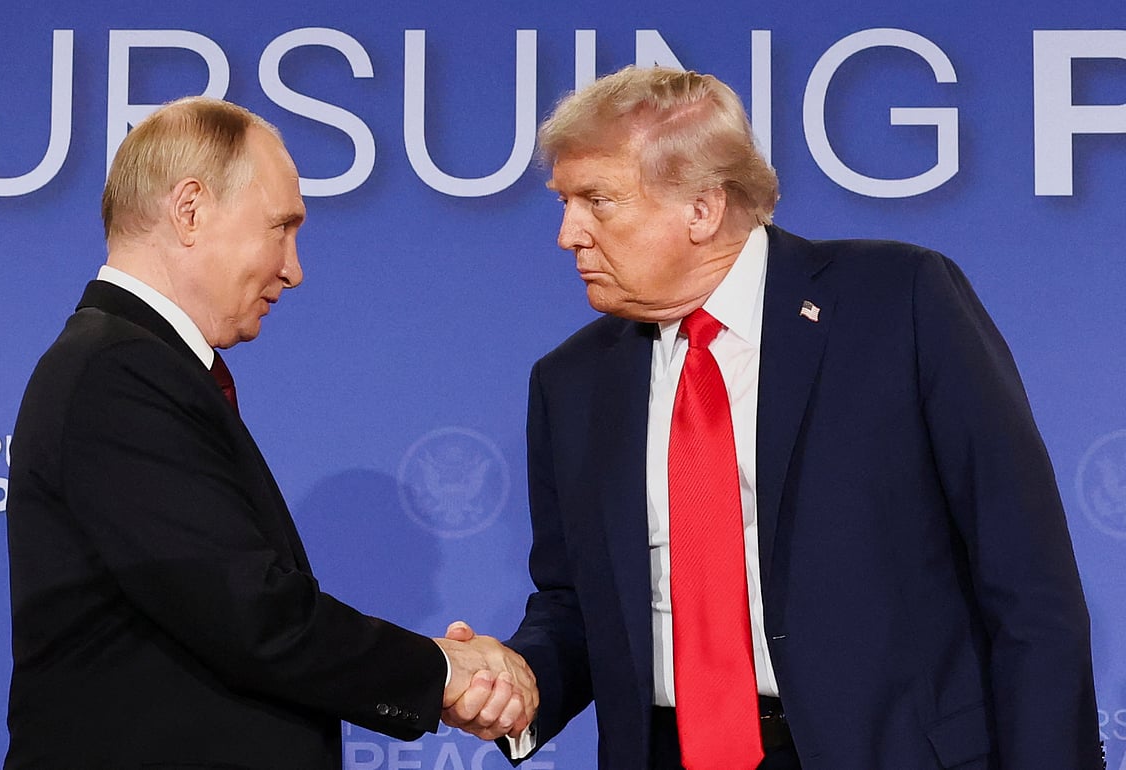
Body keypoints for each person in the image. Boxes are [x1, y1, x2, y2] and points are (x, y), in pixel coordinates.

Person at [443, 66, 1102, 769]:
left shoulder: (898, 304)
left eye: (597, 201)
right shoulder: (570, 382)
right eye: (565, 201)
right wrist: (518, 677)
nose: (568, 234)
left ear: (702, 207)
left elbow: (1027, 582)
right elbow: (578, 603)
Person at [4, 96, 534, 769]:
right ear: (190, 210)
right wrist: (444, 674)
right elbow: (246, 613)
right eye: (280, 227)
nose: (294, 268)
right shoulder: (119, 372)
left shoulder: (138, 366)